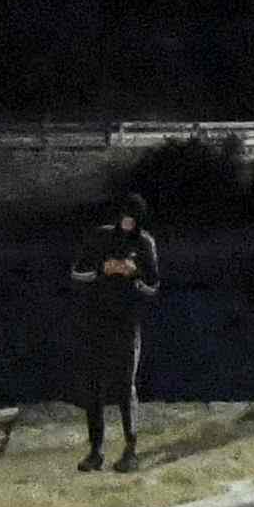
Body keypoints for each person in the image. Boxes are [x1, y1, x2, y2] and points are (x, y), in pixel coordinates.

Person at [70, 191, 159, 471]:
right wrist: (101, 269)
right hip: (97, 320)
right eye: (125, 218)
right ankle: (95, 451)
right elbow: (76, 273)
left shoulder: (145, 243)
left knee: (125, 385)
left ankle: (130, 450)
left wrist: (134, 274)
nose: (128, 223)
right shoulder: (100, 237)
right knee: (94, 386)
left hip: (127, 323)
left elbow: (153, 286)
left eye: (134, 219)